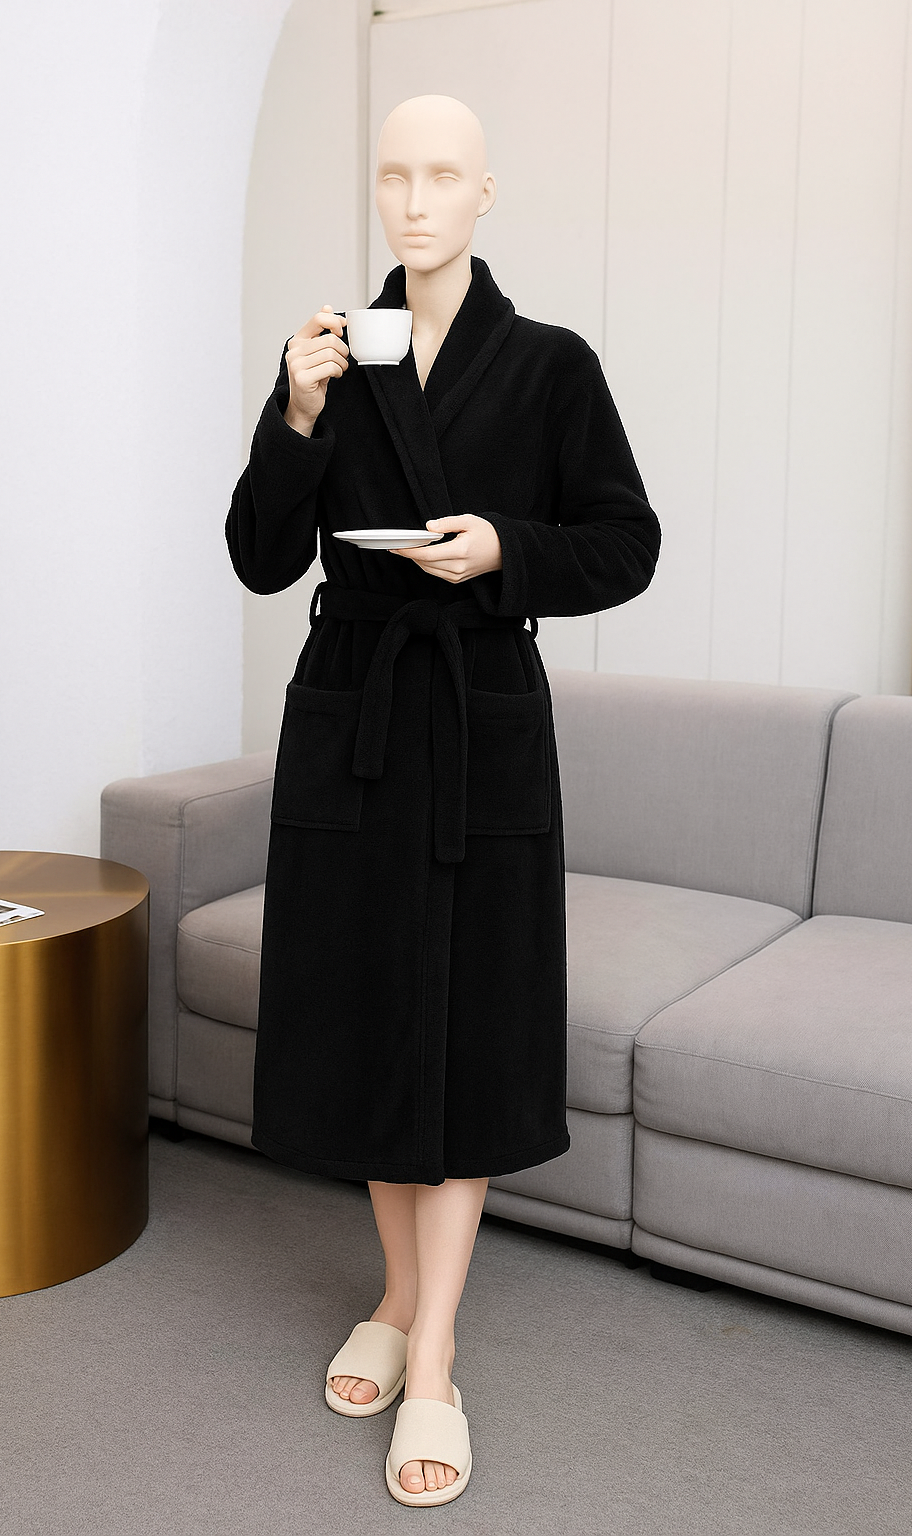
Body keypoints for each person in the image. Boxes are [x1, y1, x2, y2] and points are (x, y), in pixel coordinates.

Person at [225, 93, 660, 1508]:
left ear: (486, 194)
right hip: (352, 710)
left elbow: (628, 542)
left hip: (480, 719)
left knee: (466, 1028)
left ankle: (434, 1355)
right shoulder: (333, 357)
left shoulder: (550, 364)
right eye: (393, 175)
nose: (414, 201)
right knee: (368, 1011)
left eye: (442, 176)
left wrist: (503, 552)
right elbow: (258, 556)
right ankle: (401, 1295)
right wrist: (296, 415)